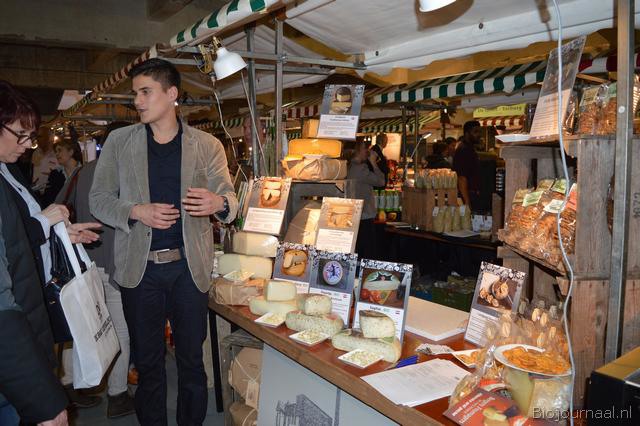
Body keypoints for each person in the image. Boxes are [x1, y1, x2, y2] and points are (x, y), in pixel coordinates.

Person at [89, 58, 239, 426]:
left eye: (145, 92)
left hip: (189, 269)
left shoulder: (207, 145)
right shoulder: (119, 142)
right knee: (149, 364)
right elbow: (99, 199)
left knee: (191, 363)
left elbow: (230, 198)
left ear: (172, 94)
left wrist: (218, 203)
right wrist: (136, 210)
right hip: (140, 271)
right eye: (135, 93)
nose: (137, 101)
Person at [0, 81, 102, 417]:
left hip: (30, 301)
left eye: (31, 137)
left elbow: (17, 234)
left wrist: (61, 235)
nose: (28, 145)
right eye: (21, 135)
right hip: (15, 316)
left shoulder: (8, 169)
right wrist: (46, 221)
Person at [60, 121, 135, 419]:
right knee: (119, 330)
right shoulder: (128, 173)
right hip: (116, 263)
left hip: (84, 263)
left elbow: (59, 208)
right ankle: (117, 394)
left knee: (84, 326)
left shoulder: (81, 172)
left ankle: (75, 385)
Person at [348, 141, 385, 260]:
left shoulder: (347, 166)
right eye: (365, 149)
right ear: (358, 150)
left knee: (357, 252)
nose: (368, 152)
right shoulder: (360, 169)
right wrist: (373, 163)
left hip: (353, 215)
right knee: (368, 253)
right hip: (364, 216)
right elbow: (381, 181)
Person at [41, 138, 82, 207]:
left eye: (59, 150)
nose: (56, 154)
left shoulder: (84, 171)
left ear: (71, 152)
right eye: (56, 151)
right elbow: (48, 199)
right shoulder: (55, 174)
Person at [453, 120, 481, 210]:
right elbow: (461, 178)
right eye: (475, 132)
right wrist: (467, 202)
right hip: (467, 195)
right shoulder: (464, 150)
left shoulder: (469, 149)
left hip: (471, 195)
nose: (479, 135)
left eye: (479, 132)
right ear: (467, 134)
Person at [31, 126, 58, 194]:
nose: (37, 139)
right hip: (36, 192)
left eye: (40, 136)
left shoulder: (57, 154)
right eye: (37, 137)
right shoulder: (35, 153)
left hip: (52, 193)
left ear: (49, 138)